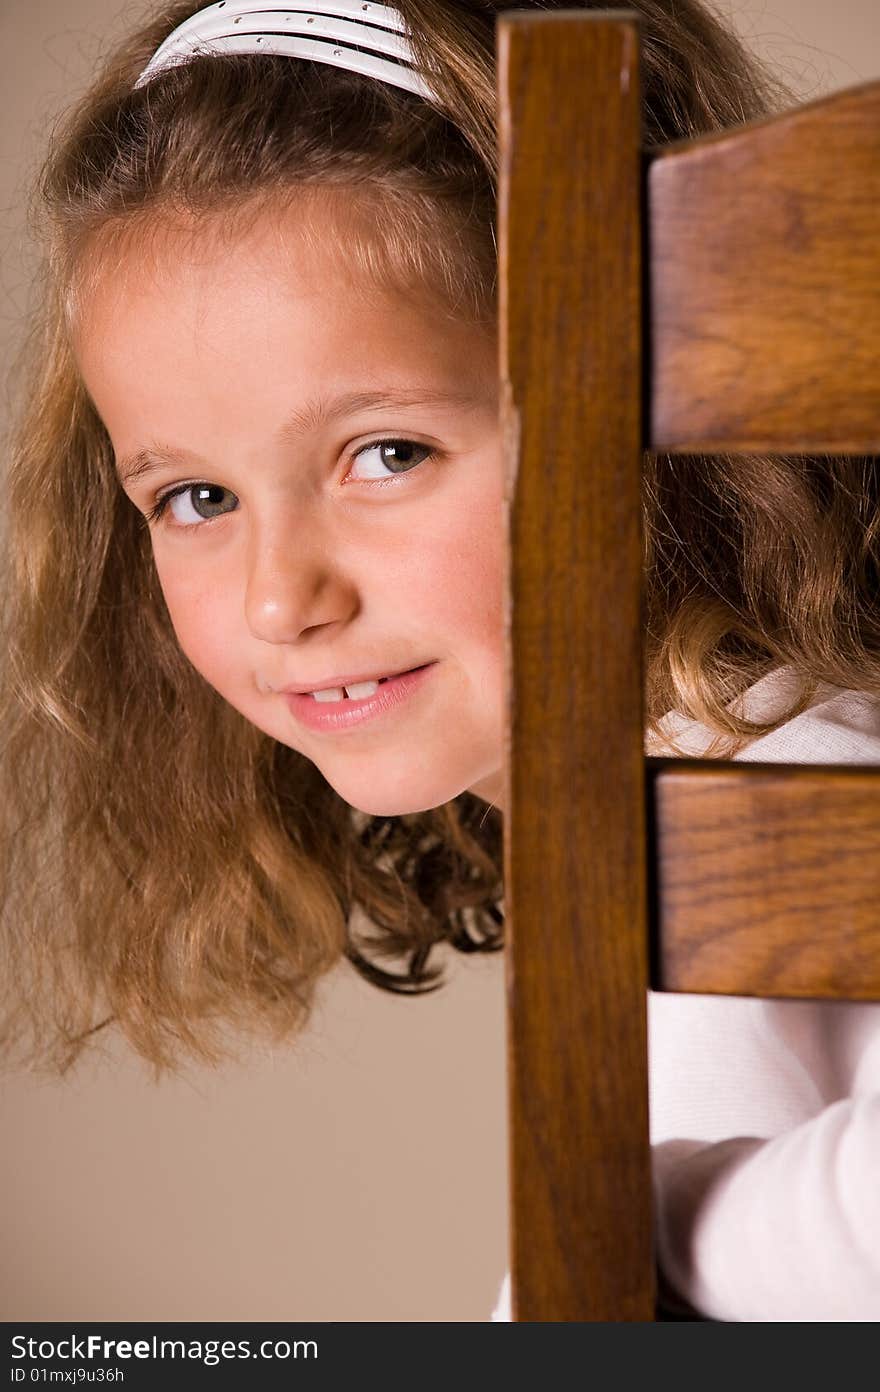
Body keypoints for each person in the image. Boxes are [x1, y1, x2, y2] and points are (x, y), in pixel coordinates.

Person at [2, 0, 879, 1321]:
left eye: (387, 454)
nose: (278, 597)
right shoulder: (659, 806)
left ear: (644, 406)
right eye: (194, 497)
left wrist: (632, 1246)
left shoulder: (806, 789)